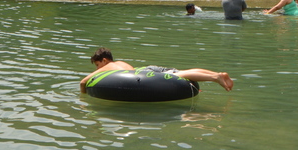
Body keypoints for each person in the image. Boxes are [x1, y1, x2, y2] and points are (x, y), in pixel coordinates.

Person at [80, 47, 233, 93]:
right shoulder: (122, 63)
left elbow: (83, 82)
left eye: (97, 65)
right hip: (147, 71)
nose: (98, 68)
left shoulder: (107, 67)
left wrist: (84, 98)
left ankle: (215, 78)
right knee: (179, 73)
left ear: (104, 61)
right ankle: (215, 74)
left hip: (146, 74)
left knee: (179, 75)